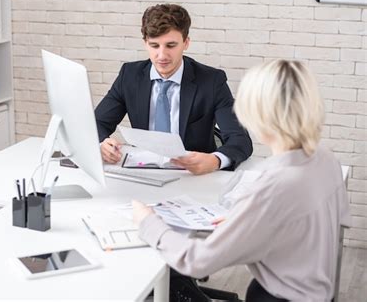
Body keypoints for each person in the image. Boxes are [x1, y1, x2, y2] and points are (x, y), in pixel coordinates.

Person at [132, 60, 352, 301]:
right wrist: (249, 219)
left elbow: (196, 261)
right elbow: (316, 223)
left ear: (258, 116)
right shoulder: (326, 160)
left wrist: (148, 221)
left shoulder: (276, 187)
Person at [94, 4, 252, 175]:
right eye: (154, 46)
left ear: (186, 43)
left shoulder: (212, 81)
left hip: (193, 176)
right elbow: (97, 123)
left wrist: (215, 160)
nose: (162, 56)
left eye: (170, 45)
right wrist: (102, 143)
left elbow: (240, 138)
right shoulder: (130, 76)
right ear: (145, 43)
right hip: (144, 171)